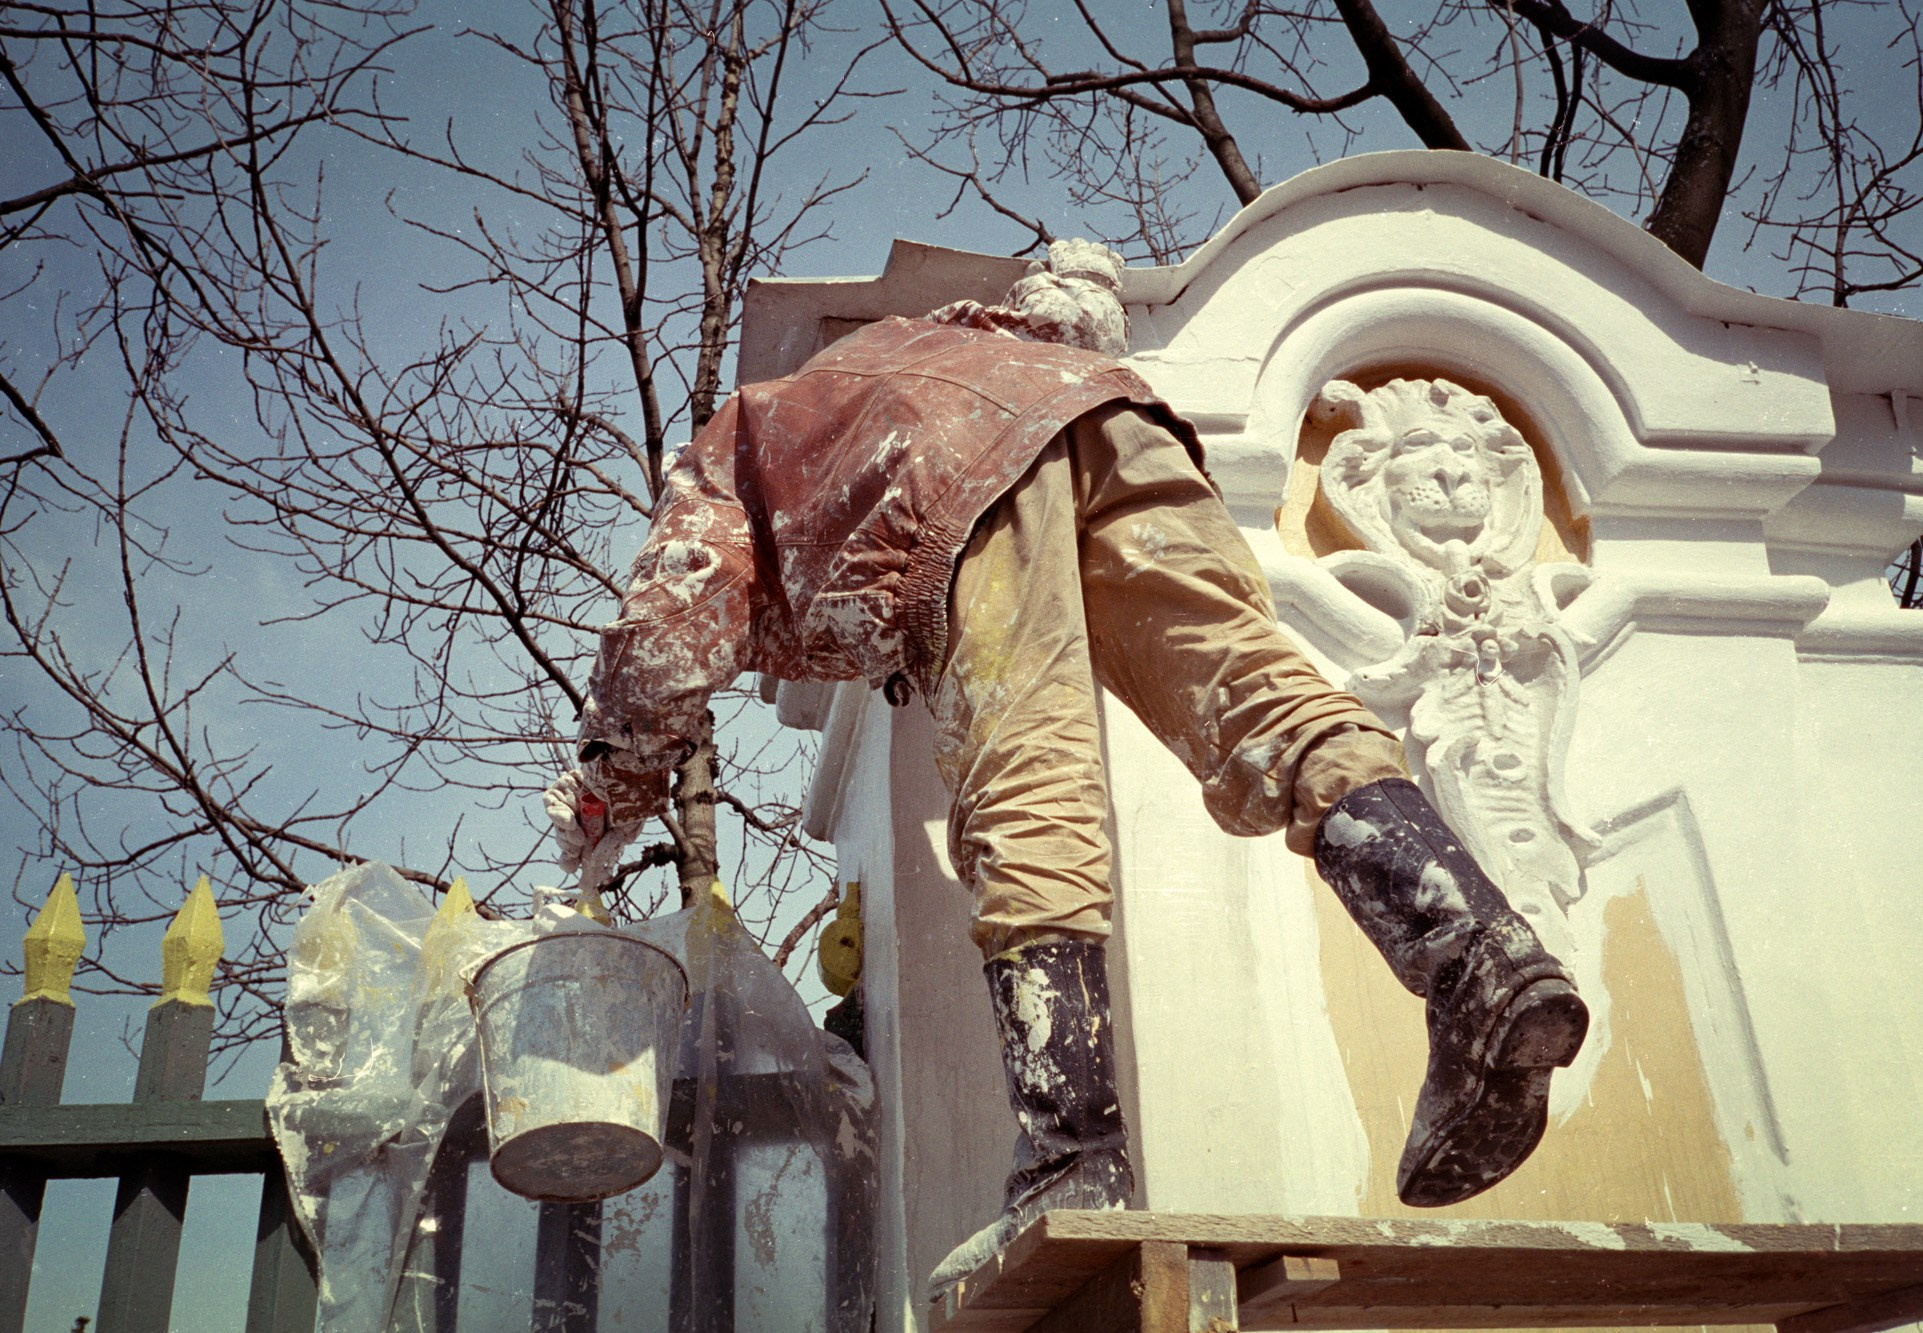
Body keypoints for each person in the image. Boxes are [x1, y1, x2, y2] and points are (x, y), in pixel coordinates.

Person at [542, 240, 1589, 1298]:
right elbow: (1072, 319)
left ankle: (1072, 1152)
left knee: (1025, 788)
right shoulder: (964, 337)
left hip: (949, 481)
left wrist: (604, 797)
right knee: (1266, 709)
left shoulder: (735, 443)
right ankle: (1479, 959)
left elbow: (665, 628)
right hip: (1117, 424)